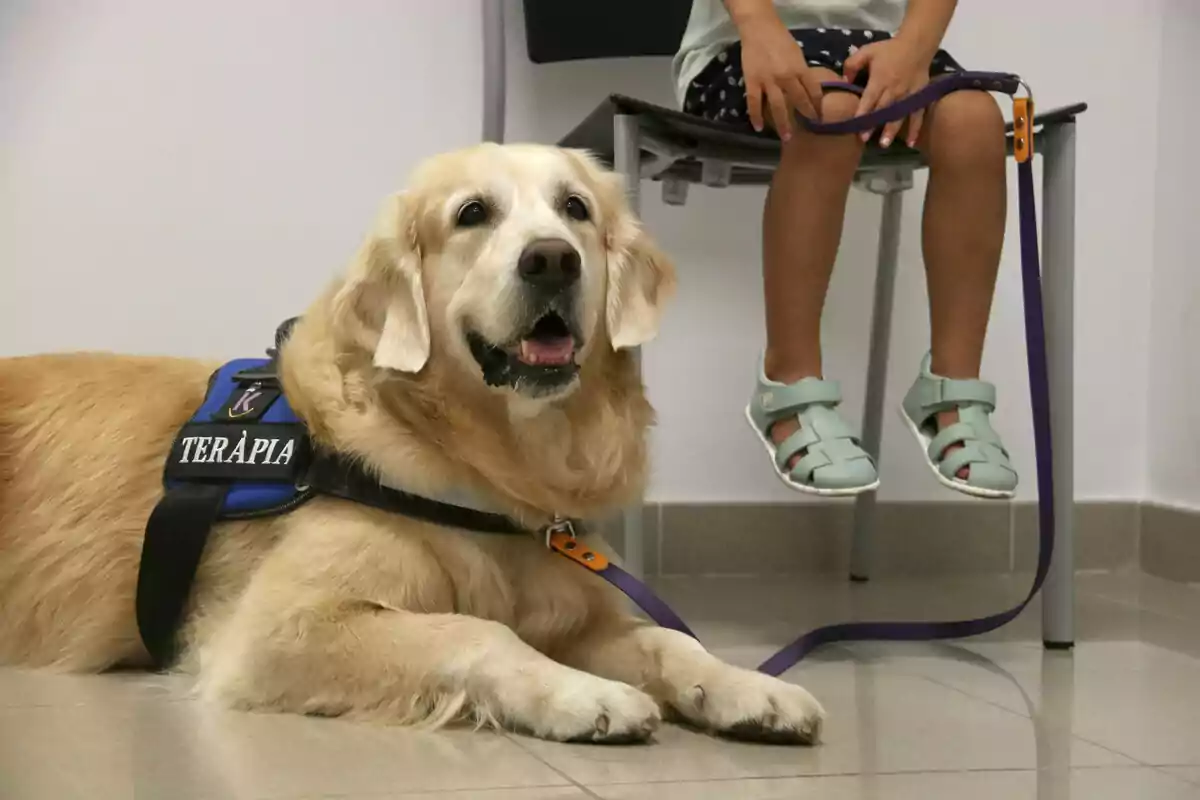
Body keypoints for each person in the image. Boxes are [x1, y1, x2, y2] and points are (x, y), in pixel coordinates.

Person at [673, 0, 1018, 499]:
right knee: (829, 111)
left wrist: (914, 48)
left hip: (883, 50)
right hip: (745, 45)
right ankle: (786, 381)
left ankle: (951, 388)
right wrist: (759, 27)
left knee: (975, 119)